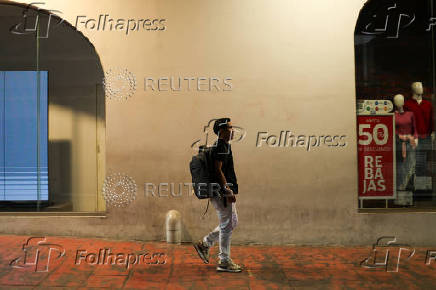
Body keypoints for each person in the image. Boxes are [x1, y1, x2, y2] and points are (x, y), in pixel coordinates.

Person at [193, 118, 242, 273]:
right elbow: (217, 170)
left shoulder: (223, 145)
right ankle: (224, 261)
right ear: (221, 131)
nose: (232, 130)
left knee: (231, 222)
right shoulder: (221, 145)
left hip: (221, 191)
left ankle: (205, 244)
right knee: (227, 224)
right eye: (229, 127)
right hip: (221, 192)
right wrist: (227, 190)